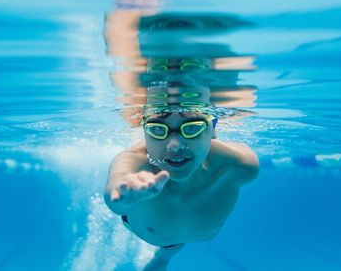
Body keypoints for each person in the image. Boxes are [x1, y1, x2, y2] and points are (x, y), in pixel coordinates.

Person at [103, 90, 259, 270]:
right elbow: (116, 187)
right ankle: (163, 257)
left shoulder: (240, 165)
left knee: (172, 245)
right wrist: (122, 195)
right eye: (157, 129)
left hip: (169, 235)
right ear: (145, 134)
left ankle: (164, 257)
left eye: (192, 127)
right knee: (170, 245)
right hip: (158, 234)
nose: (175, 145)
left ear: (212, 129)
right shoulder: (136, 160)